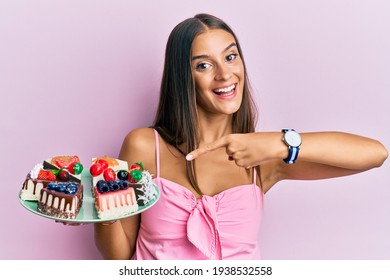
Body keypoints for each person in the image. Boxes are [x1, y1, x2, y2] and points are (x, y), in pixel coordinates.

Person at [94, 13, 388, 260]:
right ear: (183, 76)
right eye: (204, 65)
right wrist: (101, 205)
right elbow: (119, 256)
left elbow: (375, 154)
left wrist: (277, 142)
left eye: (231, 57)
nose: (225, 74)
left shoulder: (263, 158)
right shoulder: (144, 146)